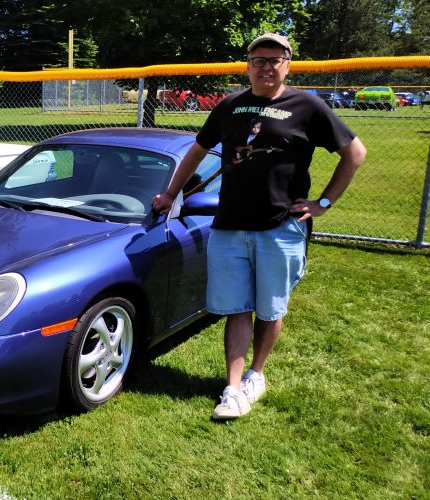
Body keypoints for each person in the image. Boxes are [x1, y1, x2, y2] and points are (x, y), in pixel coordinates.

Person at [152, 33, 366, 420]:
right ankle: (232, 388)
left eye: (275, 59)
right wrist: (170, 193)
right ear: (247, 65)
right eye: (258, 59)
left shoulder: (308, 106)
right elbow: (197, 151)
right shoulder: (231, 106)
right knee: (236, 307)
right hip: (229, 226)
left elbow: (355, 153)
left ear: (288, 64)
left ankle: (256, 373)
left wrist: (324, 202)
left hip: (280, 226)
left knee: (270, 308)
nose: (267, 66)